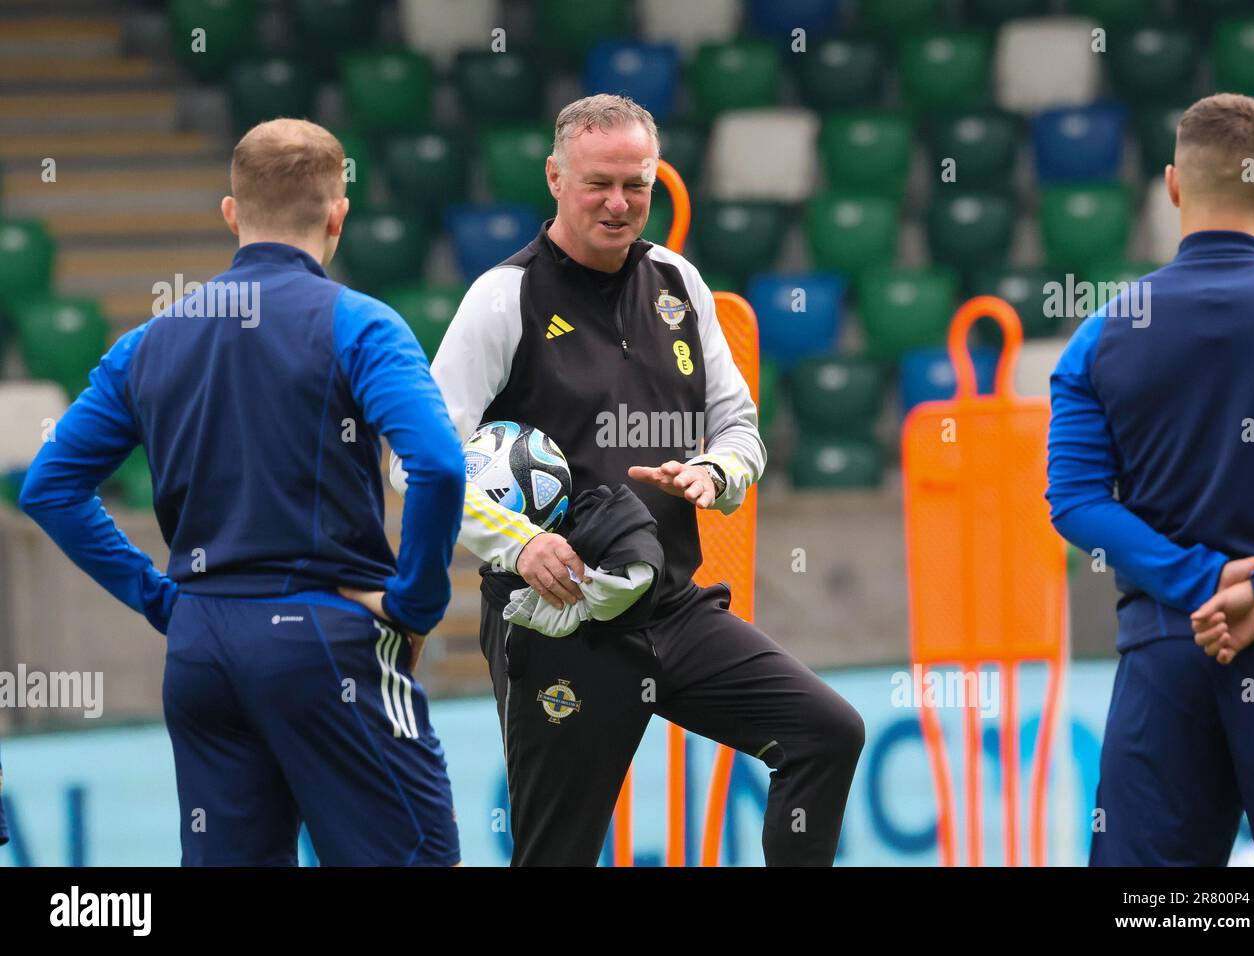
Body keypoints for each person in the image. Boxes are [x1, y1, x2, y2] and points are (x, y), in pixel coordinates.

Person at [393, 94, 864, 866]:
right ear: (554, 177)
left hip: (673, 607)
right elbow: (416, 463)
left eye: (636, 185)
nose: (619, 204)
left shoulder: (679, 282)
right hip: (558, 622)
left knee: (826, 732)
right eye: (598, 183)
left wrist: (720, 470)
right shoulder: (500, 299)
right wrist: (515, 546)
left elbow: (741, 427)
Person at [20, 118, 466, 866]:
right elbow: (439, 466)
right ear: (338, 215)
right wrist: (414, 604)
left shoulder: (148, 342)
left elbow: (50, 488)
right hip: (326, 644)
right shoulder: (361, 325)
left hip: (202, 654)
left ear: (231, 213)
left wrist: (163, 598)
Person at [1047, 93, 1254, 865]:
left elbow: (1076, 501)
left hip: (1167, 659)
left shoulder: (1100, 334)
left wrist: (1202, 579)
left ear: (1174, 186)